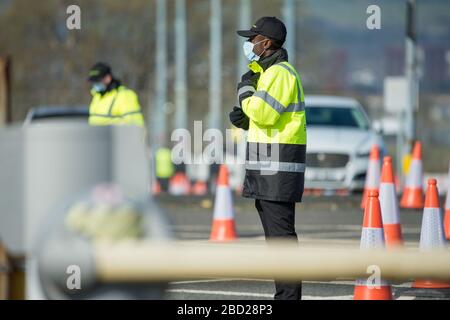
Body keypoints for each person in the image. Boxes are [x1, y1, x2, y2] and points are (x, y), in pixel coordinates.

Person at [230, 17, 307, 300]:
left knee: (281, 239)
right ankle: (285, 295)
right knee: (276, 239)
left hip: (277, 168)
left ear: (267, 42)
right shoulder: (268, 73)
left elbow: (264, 113)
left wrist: (245, 92)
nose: (249, 44)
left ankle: (287, 297)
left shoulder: (280, 73)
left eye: (253, 39)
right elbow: (266, 121)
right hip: (268, 167)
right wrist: (246, 120)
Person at [87, 62, 145, 126]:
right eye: (94, 81)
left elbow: (135, 125)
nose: (95, 84)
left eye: (98, 80)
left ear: (108, 78)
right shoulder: (97, 96)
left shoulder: (124, 96)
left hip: (116, 136)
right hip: (96, 135)